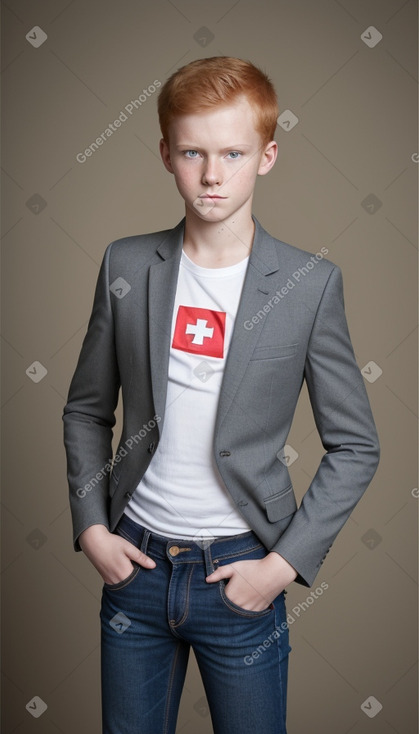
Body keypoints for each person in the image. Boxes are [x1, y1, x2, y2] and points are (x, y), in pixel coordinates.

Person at [62, 56, 380, 734]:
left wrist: (279, 568)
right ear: (165, 154)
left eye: (232, 153)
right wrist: (92, 528)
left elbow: (355, 445)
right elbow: (88, 408)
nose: (211, 175)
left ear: (266, 156)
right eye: (192, 153)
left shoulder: (309, 284)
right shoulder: (125, 265)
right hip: (135, 570)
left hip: (240, 575)